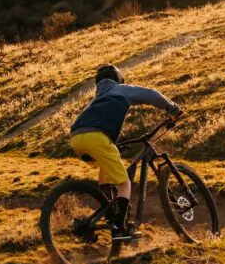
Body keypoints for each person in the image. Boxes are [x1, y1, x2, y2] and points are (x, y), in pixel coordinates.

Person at [70, 64, 181, 241]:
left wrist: (111, 144)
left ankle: (111, 210)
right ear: (118, 79)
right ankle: (119, 229)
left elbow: (96, 123)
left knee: (107, 171)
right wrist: (172, 108)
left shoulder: (97, 100)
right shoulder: (120, 90)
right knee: (124, 184)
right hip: (96, 138)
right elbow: (150, 94)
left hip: (77, 139)